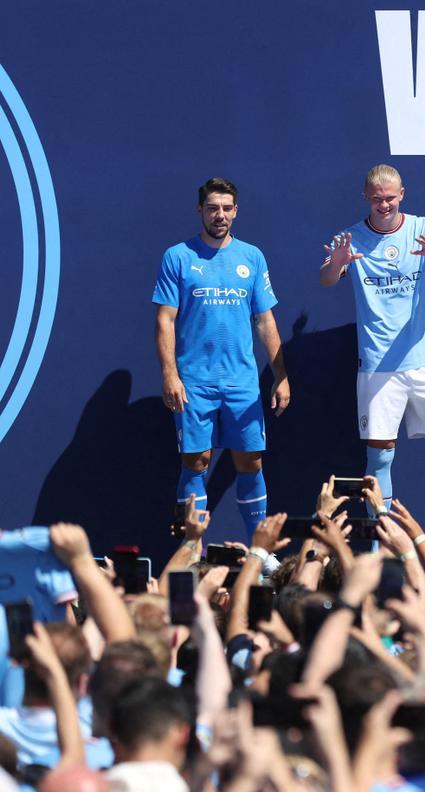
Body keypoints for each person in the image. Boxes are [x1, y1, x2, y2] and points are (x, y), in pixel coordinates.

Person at [319, 164, 425, 578]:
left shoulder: (423, 228)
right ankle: (382, 551)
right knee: (379, 461)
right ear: (366, 198)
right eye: (377, 198)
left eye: (391, 197)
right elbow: (326, 280)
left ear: (402, 194)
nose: (384, 204)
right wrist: (337, 263)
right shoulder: (351, 237)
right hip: (378, 369)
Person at [152, 177, 290, 536]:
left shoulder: (252, 257)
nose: (220, 215)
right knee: (196, 461)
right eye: (213, 208)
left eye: (227, 208)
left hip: (242, 382)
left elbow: (265, 320)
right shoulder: (177, 256)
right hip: (194, 383)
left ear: (236, 211)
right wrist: (170, 374)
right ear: (200, 210)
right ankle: (191, 552)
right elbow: (164, 320)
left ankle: (260, 554)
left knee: (250, 460)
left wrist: (281, 375)